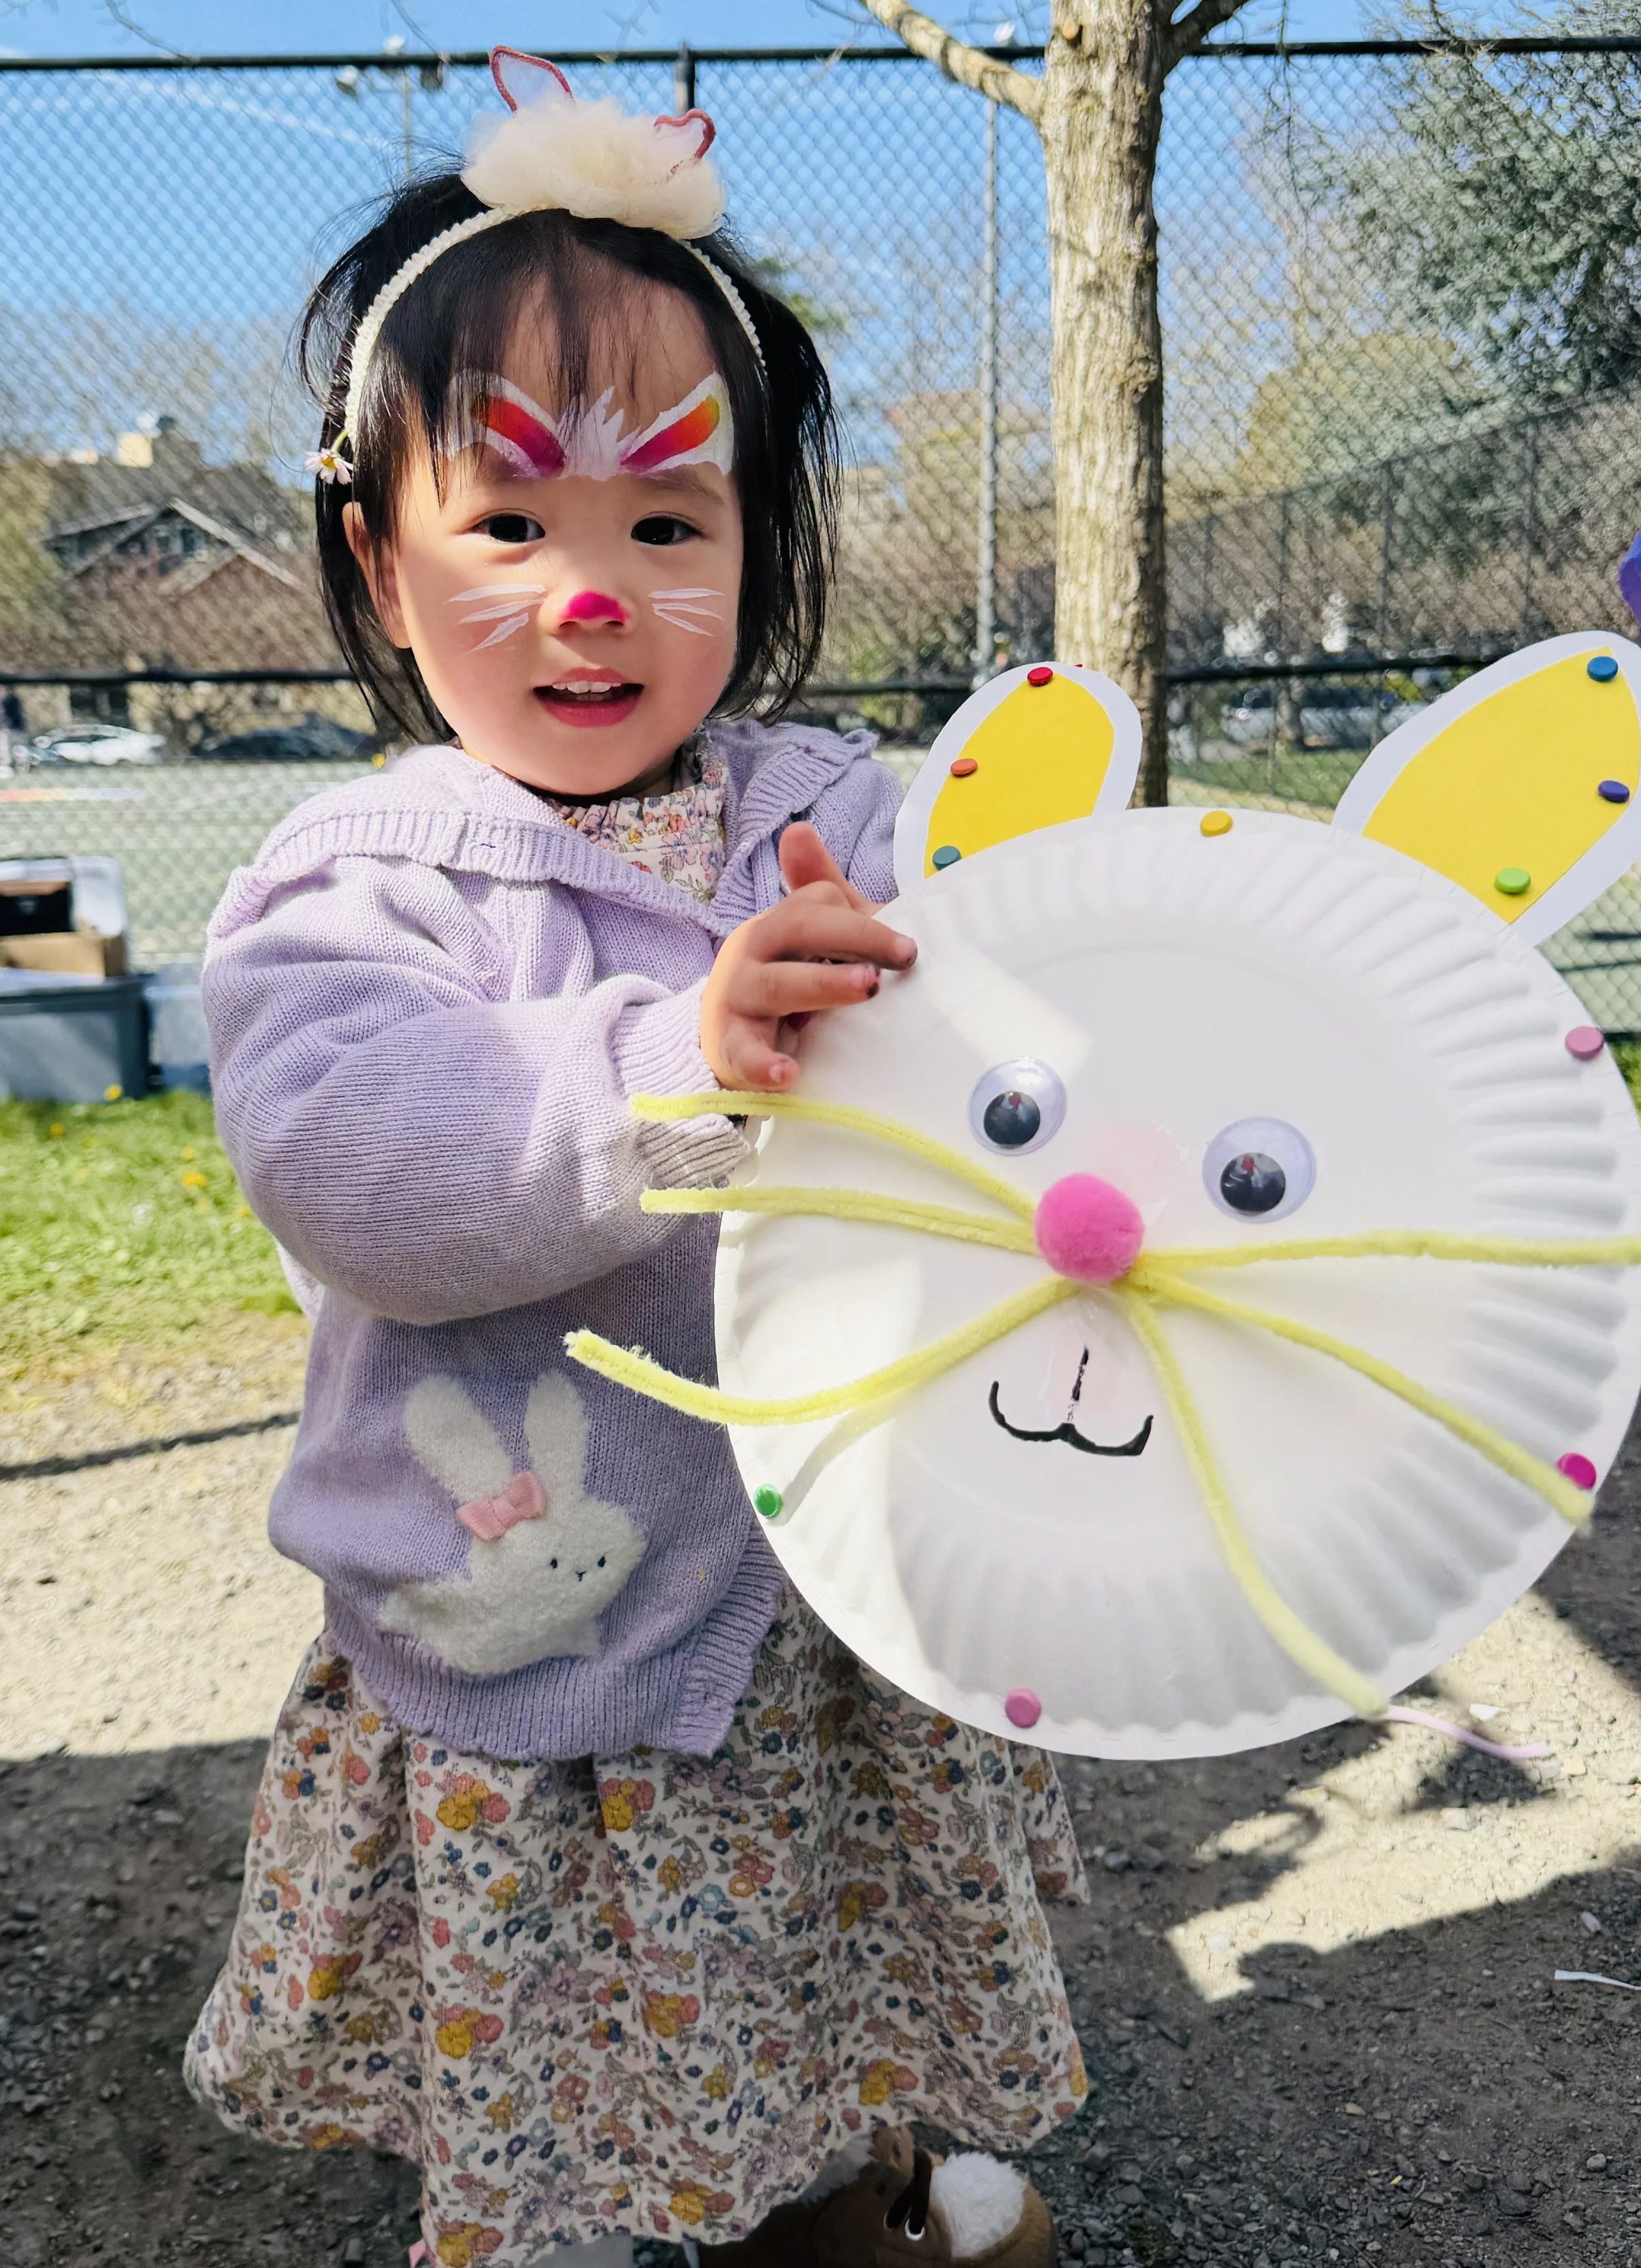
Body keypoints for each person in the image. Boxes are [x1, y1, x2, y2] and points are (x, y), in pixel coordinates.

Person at [183, 50, 1084, 2268]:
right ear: (379, 568)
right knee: (573, 2040)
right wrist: (675, 1057)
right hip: (530, 1631)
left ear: (752, 552)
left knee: (815, 1941)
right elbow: (361, 1168)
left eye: (666, 525)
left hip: (821, 1599)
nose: (592, 593)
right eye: (508, 523)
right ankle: (566, 2223)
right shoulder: (354, 873)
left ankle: (836, 2186)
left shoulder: (836, 814)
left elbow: (1020, 985)